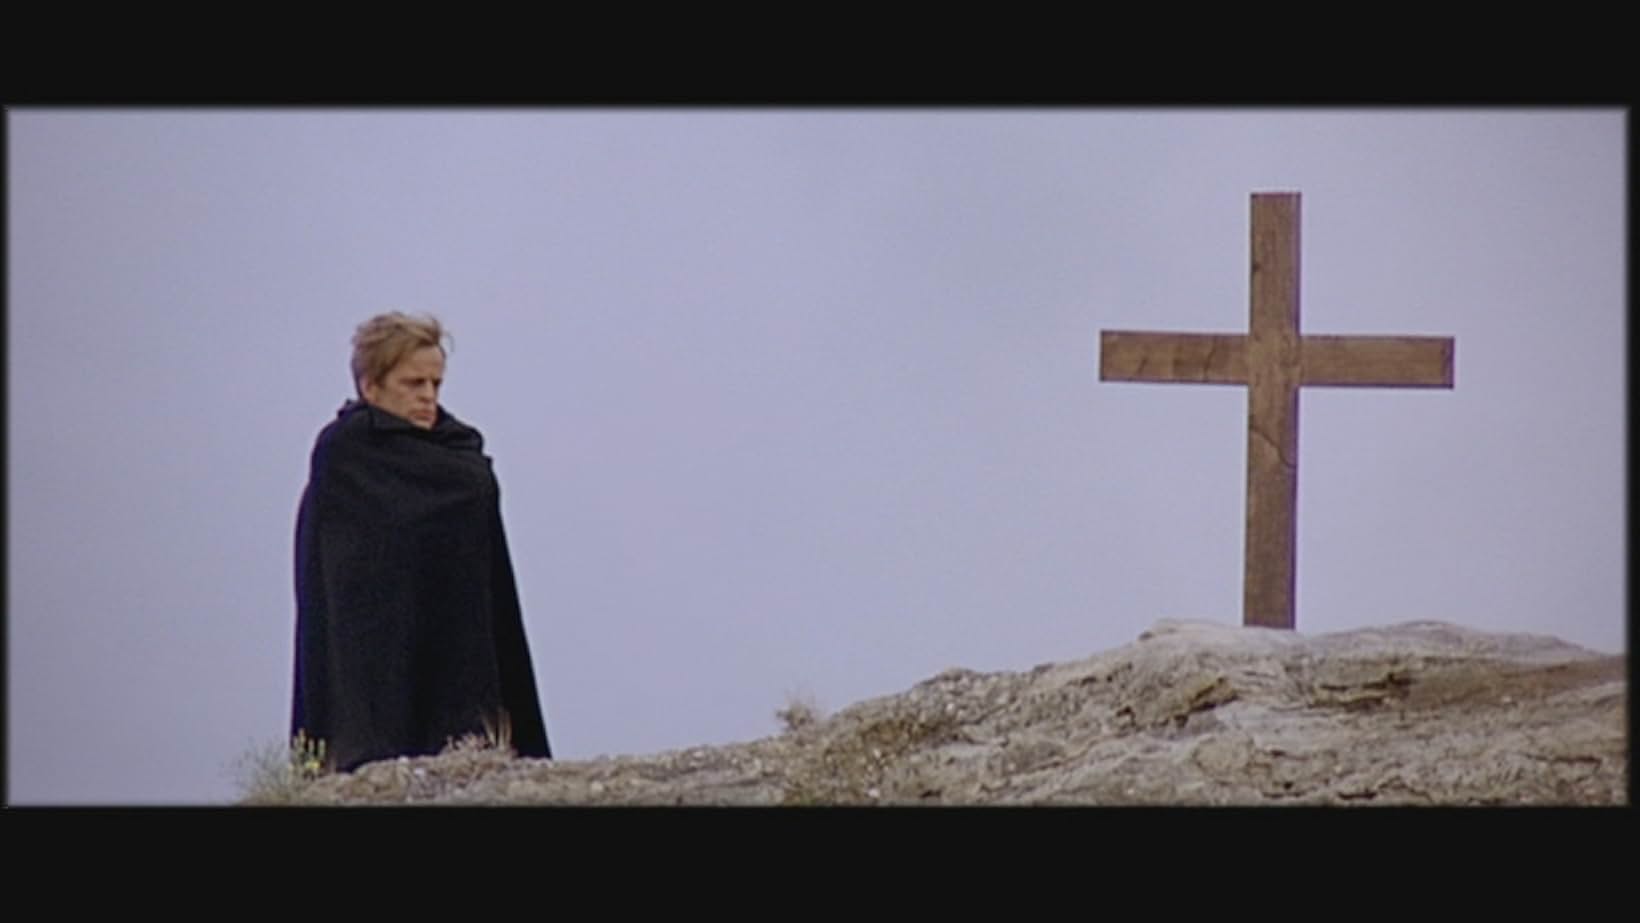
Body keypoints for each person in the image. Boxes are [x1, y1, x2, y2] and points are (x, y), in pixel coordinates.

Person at [291, 311, 551, 771]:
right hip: (376, 655)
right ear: (372, 386)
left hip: (461, 645)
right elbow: (336, 575)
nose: (428, 396)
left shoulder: (461, 455)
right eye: (413, 384)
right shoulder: (346, 456)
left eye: (436, 384)